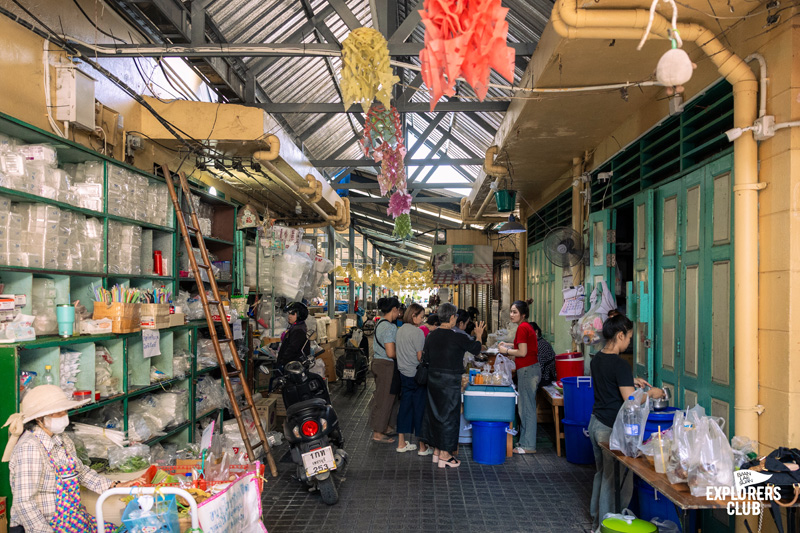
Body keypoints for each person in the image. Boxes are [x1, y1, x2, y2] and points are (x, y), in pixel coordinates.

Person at [4, 385, 145, 532]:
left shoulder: (62, 439)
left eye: (65, 411)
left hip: (69, 520)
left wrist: (114, 486)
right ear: (40, 418)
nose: (65, 417)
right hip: (42, 527)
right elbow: (24, 503)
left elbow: (80, 472)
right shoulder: (30, 447)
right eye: (59, 413)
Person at [588, 314, 664, 528]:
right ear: (620, 335)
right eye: (629, 337)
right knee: (614, 481)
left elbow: (609, 381)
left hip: (595, 423)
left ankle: (595, 519)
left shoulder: (597, 358)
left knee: (603, 474)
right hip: (610, 428)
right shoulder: (620, 364)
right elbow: (630, 399)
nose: (629, 342)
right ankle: (605, 526)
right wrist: (652, 394)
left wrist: (630, 380)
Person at [421, 303, 485, 468]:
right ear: (451, 317)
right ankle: (445, 455)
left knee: (435, 414)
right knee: (449, 416)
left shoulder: (431, 336)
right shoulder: (458, 336)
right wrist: (479, 335)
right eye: (455, 316)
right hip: (449, 381)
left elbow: (425, 358)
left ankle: (436, 451)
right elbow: (476, 349)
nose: (456, 318)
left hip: (433, 379)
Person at [498, 300, 539, 454]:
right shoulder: (525, 327)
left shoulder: (522, 328)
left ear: (523, 315)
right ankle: (526, 442)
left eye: (515, 312)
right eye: (511, 311)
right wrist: (509, 345)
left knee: (526, 408)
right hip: (530, 369)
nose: (511, 314)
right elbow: (523, 347)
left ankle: (528, 445)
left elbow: (522, 352)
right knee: (526, 406)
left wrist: (506, 351)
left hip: (528, 371)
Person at [395, 303, 432, 456]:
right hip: (416, 376)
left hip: (403, 374)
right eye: (421, 317)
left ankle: (401, 443)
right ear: (413, 316)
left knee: (404, 407)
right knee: (420, 409)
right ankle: (422, 447)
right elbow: (419, 357)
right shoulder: (417, 333)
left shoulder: (400, 330)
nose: (422, 320)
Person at [370, 297, 401, 443]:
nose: (399, 314)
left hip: (379, 363)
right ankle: (378, 433)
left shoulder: (380, 323)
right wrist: (403, 355)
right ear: (394, 309)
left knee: (388, 397)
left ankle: (386, 427)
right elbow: (390, 352)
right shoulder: (389, 327)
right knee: (384, 399)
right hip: (386, 365)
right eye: (398, 310)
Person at [277, 302, 311, 367]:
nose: (289, 316)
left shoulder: (298, 330)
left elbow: (292, 349)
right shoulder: (297, 326)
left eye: (292, 314)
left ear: (299, 315)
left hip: (293, 366)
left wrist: (282, 362)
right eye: (289, 313)